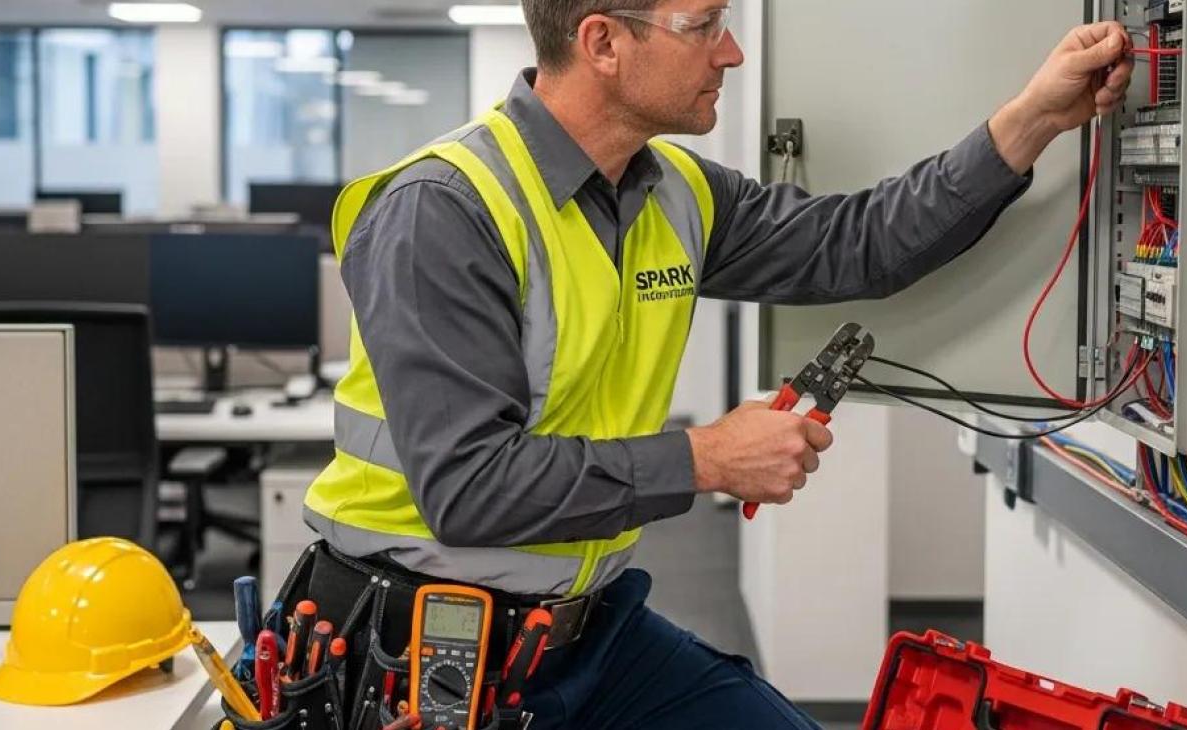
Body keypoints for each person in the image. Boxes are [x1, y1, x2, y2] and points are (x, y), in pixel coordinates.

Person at [299, 2, 1135, 727]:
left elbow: (862, 243)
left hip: (582, 634)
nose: (730, 52)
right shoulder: (444, 211)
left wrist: (1032, 120)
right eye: (702, 26)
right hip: (405, 646)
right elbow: (470, 488)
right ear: (602, 43)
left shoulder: (677, 192)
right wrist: (706, 459)